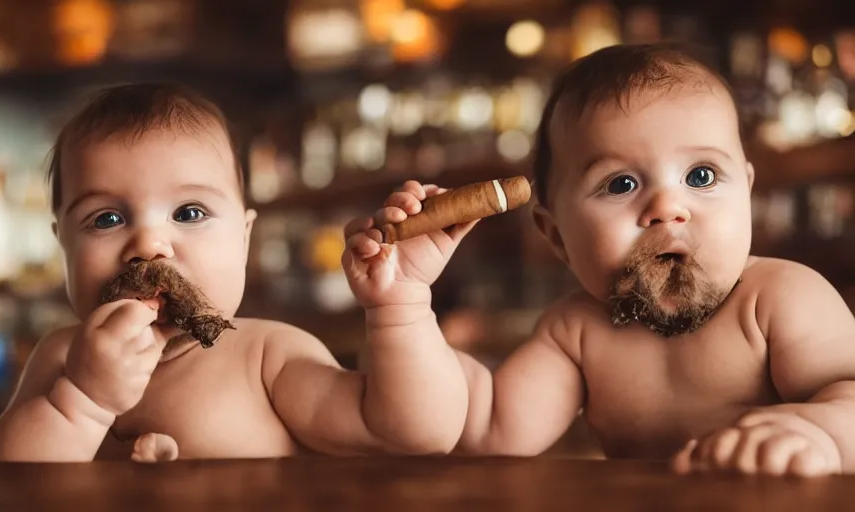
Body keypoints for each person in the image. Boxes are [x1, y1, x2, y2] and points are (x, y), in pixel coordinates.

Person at [346, 43, 855, 476]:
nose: (667, 209)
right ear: (557, 236)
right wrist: (404, 305)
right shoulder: (577, 334)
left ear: (746, 191)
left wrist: (821, 434)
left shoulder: (780, 299)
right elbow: (485, 426)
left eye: (700, 176)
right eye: (621, 184)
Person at [0, 83, 469, 462]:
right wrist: (82, 402)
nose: (149, 246)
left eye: (190, 213)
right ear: (61, 244)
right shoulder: (64, 358)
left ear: (244, 238)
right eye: (106, 218)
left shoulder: (266, 357)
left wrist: (400, 305)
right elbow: (8, 481)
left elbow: (412, 434)